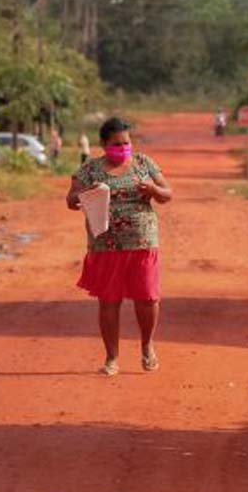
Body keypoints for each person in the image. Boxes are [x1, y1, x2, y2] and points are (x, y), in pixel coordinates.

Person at [66, 116, 173, 376]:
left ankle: (147, 346)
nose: (123, 148)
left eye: (126, 143)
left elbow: (168, 194)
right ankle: (111, 358)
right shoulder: (89, 170)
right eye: (116, 144)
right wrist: (86, 192)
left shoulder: (143, 163)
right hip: (105, 243)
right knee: (109, 302)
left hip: (142, 241)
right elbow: (70, 200)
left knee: (147, 298)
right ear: (104, 144)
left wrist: (154, 190)